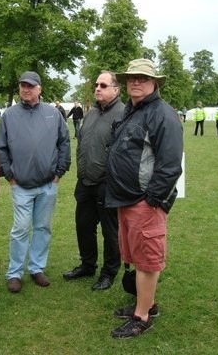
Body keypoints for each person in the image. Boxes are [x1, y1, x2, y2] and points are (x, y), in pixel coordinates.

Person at [105, 59, 183, 338]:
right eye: (131, 78)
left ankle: (142, 317)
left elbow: (171, 164)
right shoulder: (132, 110)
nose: (135, 82)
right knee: (137, 256)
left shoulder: (162, 113)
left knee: (148, 260)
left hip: (144, 201)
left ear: (154, 83)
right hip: (126, 199)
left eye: (142, 78)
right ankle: (147, 304)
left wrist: (151, 200)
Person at [0, 71, 71, 293]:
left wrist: (59, 173)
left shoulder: (53, 114)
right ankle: (15, 273)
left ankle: (37, 268)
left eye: (30, 86)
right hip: (21, 185)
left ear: (39, 88)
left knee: (43, 228)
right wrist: (10, 176)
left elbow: (64, 143)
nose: (25, 90)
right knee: (20, 229)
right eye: (22, 86)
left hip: (48, 184)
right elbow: (1, 148)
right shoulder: (9, 115)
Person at [63, 71, 124, 291]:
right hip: (85, 181)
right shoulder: (90, 113)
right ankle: (87, 265)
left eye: (103, 85)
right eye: (97, 85)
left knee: (110, 231)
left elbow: (123, 153)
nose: (97, 88)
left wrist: (111, 178)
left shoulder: (123, 114)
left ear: (116, 90)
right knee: (83, 225)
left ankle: (108, 272)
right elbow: (82, 144)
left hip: (108, 184)